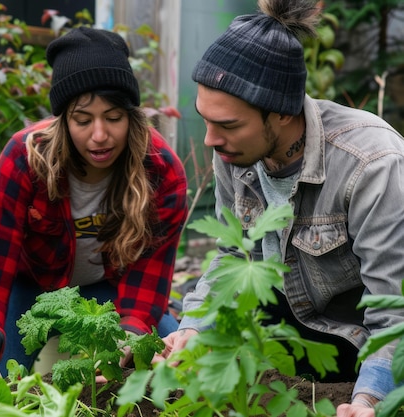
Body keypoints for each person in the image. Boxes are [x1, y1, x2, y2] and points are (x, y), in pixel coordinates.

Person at [156, 0, 404, 416]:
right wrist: (195, 327)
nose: (209, 141)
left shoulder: (372, 165)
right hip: (281, 328)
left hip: (354, 343)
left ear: (284, 113)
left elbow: (394, 309)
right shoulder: (235, 151)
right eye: (206, 120)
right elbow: (235, 255)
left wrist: (368, 399)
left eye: (229, 125)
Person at [0, 26, 188, 377]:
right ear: (63, 119)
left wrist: (127, 340)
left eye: (113, 118)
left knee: (176, 369)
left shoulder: (160, 169)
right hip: (31, 291)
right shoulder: (25, 159)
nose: (99, 135)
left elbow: (148, 278)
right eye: (83, 120)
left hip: (111, 292)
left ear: (131, 116)